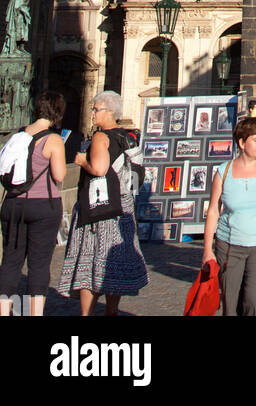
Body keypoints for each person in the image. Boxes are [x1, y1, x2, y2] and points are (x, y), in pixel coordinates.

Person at [58, 91, 148, 314]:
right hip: (122, 206)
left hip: (98, 209)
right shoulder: (128, 137)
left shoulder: (100, 137)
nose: (92, 113)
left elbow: (98, 169)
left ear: (109, 112)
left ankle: (86, 313)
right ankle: (111, 311)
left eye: (95, 109)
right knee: (112, 263)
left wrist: (82, 161)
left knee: (89, 262)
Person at [202, 116, 256, 316]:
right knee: (230, 303)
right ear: (242, 143)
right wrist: (207, 249)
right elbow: (214, 210)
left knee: (255, 301)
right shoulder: (223, 172)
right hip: (229, 244)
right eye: (255, 140)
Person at [0, 90, 67, 317]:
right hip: (42, 206)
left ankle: (5, 311)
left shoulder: (18, 135)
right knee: (38, 263)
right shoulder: (53, 139)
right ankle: (32, 314)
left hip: (12, 204)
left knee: (10, 261)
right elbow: (59, 176)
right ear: (57, 112)